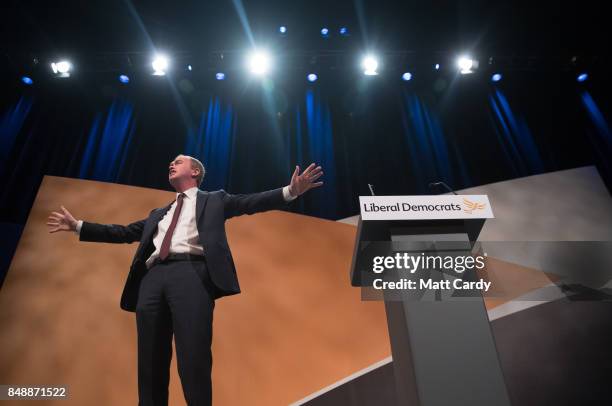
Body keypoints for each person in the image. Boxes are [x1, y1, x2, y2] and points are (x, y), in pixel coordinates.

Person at [46, 155, 323, 406]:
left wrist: (291, 191)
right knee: (150, 361)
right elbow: (123, 232)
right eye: (171, 162)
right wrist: (79, 226)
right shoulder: (159, 214)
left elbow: (250, 202)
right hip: (152, 279)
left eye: (178, 162)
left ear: (195, 172)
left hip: (192, 274)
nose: (171, 164)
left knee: (193, 356)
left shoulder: (215, 199)